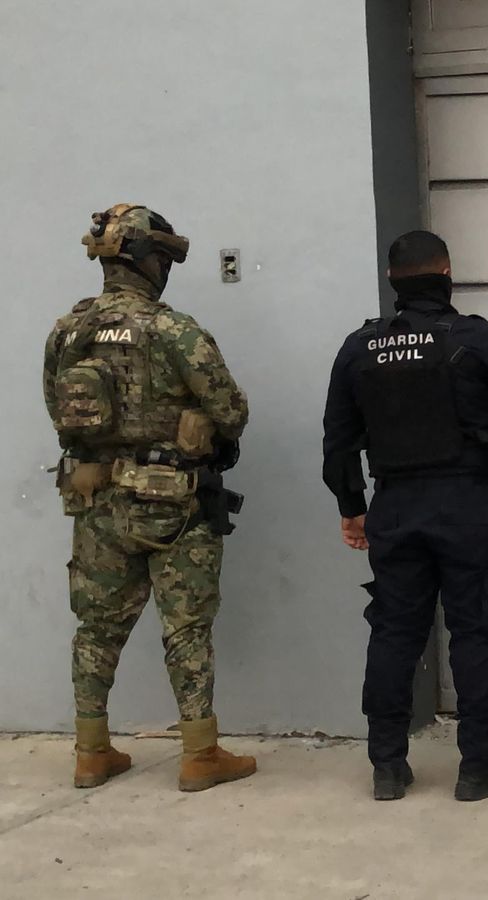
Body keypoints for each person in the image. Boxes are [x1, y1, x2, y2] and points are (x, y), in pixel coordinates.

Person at [322, 230, 488, 802]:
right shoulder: (475, 338)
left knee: (394, 632)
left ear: (392, 280)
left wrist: (352, 508)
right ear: (447, 273)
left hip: (396, 506)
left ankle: (387, 767)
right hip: (468, 503)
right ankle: (480, 767)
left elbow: (338, 440)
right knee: (475, 633)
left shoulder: (360, 347)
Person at [43, 204, 256, 792]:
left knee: (96, 628)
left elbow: (57, 411)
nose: (166, 268)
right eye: (163, 257)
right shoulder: (172, 330)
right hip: (172, 505)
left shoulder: (68, 331)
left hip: (95, 503)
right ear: (146, 260)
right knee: (186, 628)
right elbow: (232, 411)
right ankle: (200, 754)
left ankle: (91, 752)